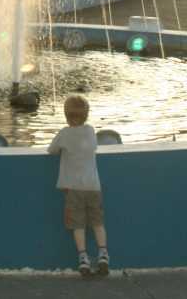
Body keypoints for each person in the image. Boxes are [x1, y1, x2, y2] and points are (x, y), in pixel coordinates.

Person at [47, 95, 109, 276]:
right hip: (93, 186)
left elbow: (52, 150)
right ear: (86, 115)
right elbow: (93, 147)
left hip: (74, 189)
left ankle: (83, 258)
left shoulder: (65, 133)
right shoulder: (90, 131)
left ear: (66, 115)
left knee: (78, 225)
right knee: (98, 222)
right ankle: (103, 253)